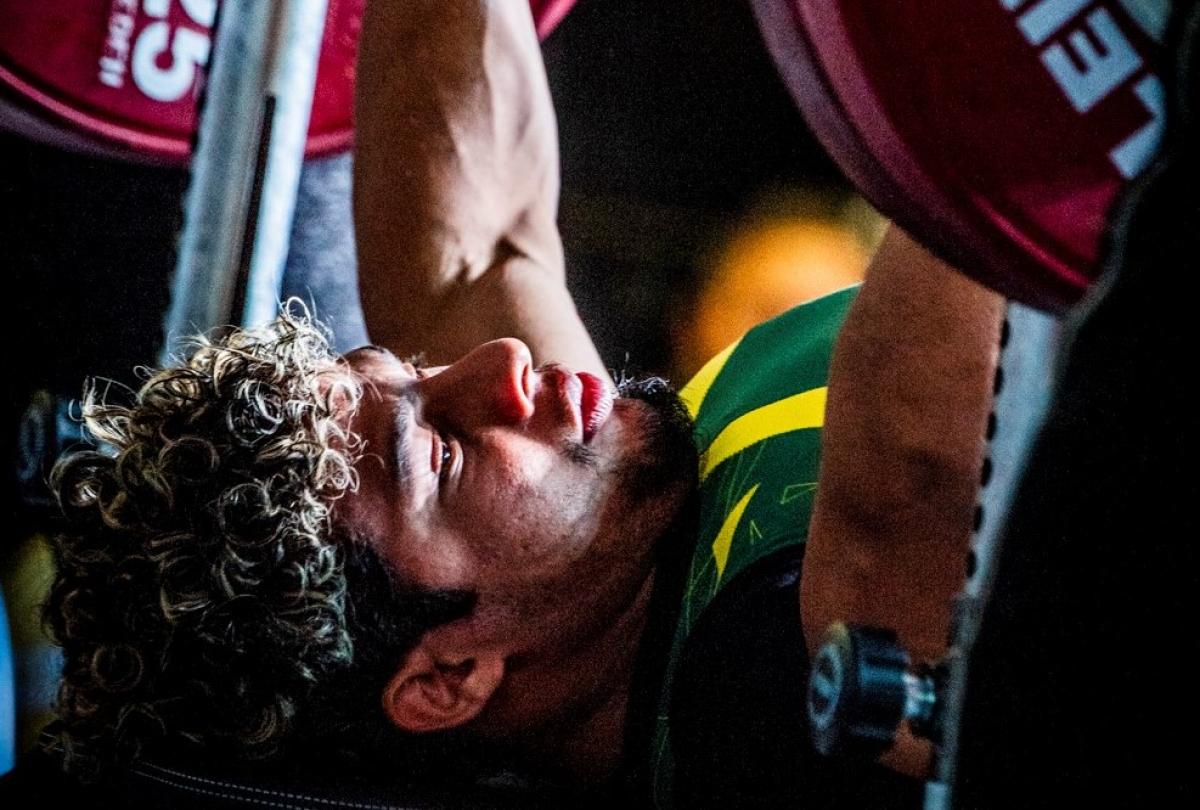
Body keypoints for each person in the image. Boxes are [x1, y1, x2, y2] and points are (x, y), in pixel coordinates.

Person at [2, 1, 1001, 807]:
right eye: (435, 452)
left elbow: (473, 248)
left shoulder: (619, 545)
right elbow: (923, 439)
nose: (500, 368)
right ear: (447, 682)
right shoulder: (758, 700)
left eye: (414, 375)